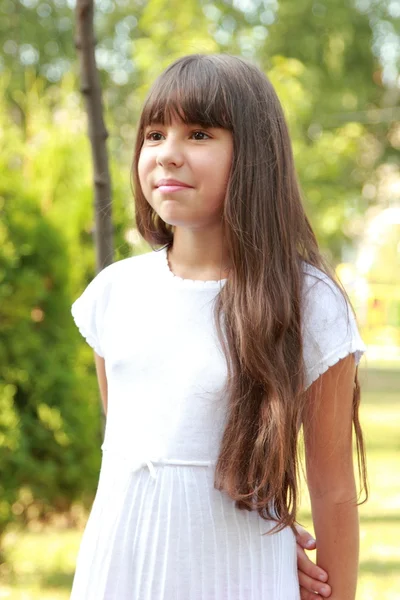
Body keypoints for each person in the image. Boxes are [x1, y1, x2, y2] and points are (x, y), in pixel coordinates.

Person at [70, 54, 367, 599]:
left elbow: (332, 487)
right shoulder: (115, 293)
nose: (167, 155)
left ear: (255, 156)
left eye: (199, 133)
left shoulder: (308, 301)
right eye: (155, 134)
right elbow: (131, 456)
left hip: (240, 576)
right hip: (119, 568)